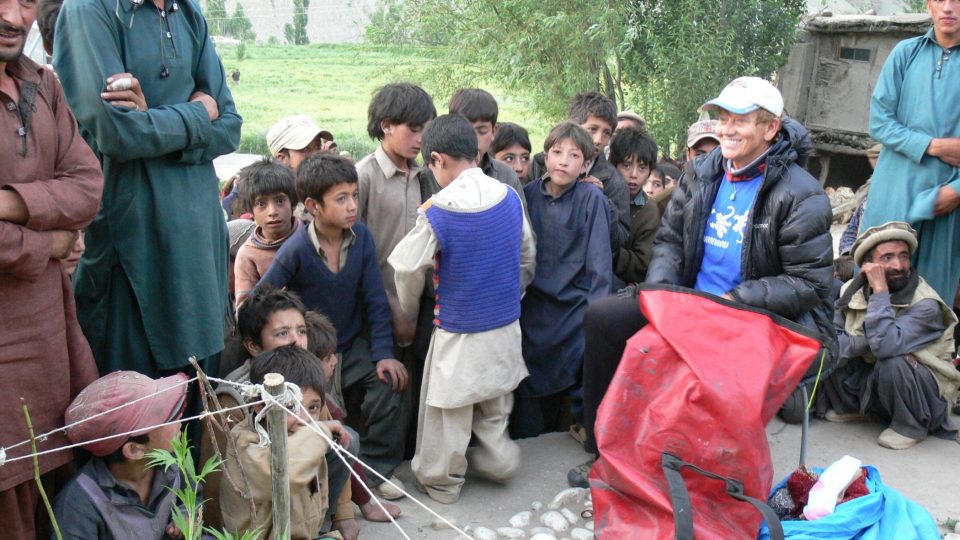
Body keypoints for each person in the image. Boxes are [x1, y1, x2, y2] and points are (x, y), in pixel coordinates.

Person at [569, 77, 836, 487]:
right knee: (603, 319)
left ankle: (686, 471)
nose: (726, 128)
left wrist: (734, 300)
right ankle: (605, 452)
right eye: (723, 117)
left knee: (678, 359)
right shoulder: (701, 172)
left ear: (770, 128)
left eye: (741, 120)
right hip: (690, 302)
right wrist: (661, 299)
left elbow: (809, 284)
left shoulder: (802, 194)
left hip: (756, 316)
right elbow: (670, 243)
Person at [54, 0, 242, 385]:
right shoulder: (90, 10)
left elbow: (230, 125)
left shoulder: (187, 13)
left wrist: (152, 117)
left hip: (199, 256)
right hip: (133, 252)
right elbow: (117, 132)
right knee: (135, 422)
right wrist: (194, 112)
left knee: (195, 412)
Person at [388, 114, 536, 503]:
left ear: (437, 159)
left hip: (459, 327)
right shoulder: (508, 196)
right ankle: (499, 460)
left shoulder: (440, 208)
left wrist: (406, 307)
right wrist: (513, 292)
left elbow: (405, 265)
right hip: (505, 327)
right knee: (495, 403)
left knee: (447, 412)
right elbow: (527, 254)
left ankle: (442, 481)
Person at [0, 0, 102, 534]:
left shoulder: (44, 84)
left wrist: (11, 202)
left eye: (27, 3)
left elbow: (87, 185)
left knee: (50, 491)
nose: (15, 18)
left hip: (49, 340)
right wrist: (54, 240)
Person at [259, 153, 409, 500]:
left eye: (354, 196)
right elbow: (262, 297)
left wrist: (384, 354)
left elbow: (375, 299)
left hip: (352, 345)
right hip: (309, 352)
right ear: (313, 205)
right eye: (341, 199)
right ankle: (326, 483)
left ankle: (374, 471)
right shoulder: (296, 249)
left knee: (390, 383)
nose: (352, 206)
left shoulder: (363, 240)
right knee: (313, 410)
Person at [822, 222, 959, 450]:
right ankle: (860, 409)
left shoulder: (926, 304)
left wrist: (880, 293)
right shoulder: (851, 290)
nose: (899, 265)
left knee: (893, 361)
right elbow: (834, 340)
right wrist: (865, 343)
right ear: (868, 266)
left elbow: (885, 346)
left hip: (926, 393)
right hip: (877, 373)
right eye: (887, 258)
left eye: (904, 256)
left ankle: (910, 427)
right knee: (831, 353)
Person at [515, 122, 612, 439]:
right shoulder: (527, 196)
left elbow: (599, 264)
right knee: (527, 392)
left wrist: (595, 318)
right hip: (533, 309)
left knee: (579, 379)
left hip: (574, 310)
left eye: (574, 156)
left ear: (585, 165)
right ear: (545, 156)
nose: (563, 161)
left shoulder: (590, 199)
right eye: (557, 152)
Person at [860, 0, 960, 308]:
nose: (948, 8)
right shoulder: (906, 53)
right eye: (940, 0)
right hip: (893, 195)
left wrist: (958, 190)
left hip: (946, 202)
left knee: (930, 302)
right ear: (929, 4)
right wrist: (934, 145)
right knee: (873, 288)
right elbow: (880, 121)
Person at [220, 345, 351, 540]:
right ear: (259, 405)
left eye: (313, 407)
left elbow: (318, 497)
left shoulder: (306, 436)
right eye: (290, 406)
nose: (303, 418)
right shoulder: (245, 443)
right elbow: (278, 473)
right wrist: (321, 432)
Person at [52, 371, 189, 539]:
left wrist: (187, 515)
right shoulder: (79, 505)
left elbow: (193, 498)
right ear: (134, 450)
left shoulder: (173, 463)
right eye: (167, 417)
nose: (180, 416)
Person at [356, 83, 437, 355]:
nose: (420, 140)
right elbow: (357, 253)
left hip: (420, 307)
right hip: (375, 307)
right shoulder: (363, 177)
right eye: (414, 129)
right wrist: (390, 305)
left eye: (426, 130)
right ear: (387, 125)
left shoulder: (423, 176)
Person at [527, 91, 630, 251]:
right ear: (573, 125)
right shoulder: (540, 164)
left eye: (606, 133)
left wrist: (603, 203)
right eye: (592, 129)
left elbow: (618, 241)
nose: (598, 140)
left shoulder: (612, 181)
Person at [417, 88, 527, 210]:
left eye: (482, 131)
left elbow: (520, 225)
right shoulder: (425, 177)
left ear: (493, 131)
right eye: (464, 131)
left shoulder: (506, 177)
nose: (473, 139)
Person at [233, 158, 302, 307]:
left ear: (293, 202)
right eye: (261, 204)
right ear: (250, 211)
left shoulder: (312, 238)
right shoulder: (248, 255)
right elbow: (245, 312)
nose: (272, 212)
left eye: (280, 201)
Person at [608, 127, 660, 285]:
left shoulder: (649, 211)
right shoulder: (600, 196)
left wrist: (612, 254)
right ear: (613, 165)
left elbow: (642, 264)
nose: (634, 175)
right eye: (626, 165)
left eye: (642, 168)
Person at [267, 114, 334, 172]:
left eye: (318, 146)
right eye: (305, 149)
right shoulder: (273, 187)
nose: (316, 155)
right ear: (281, 159)